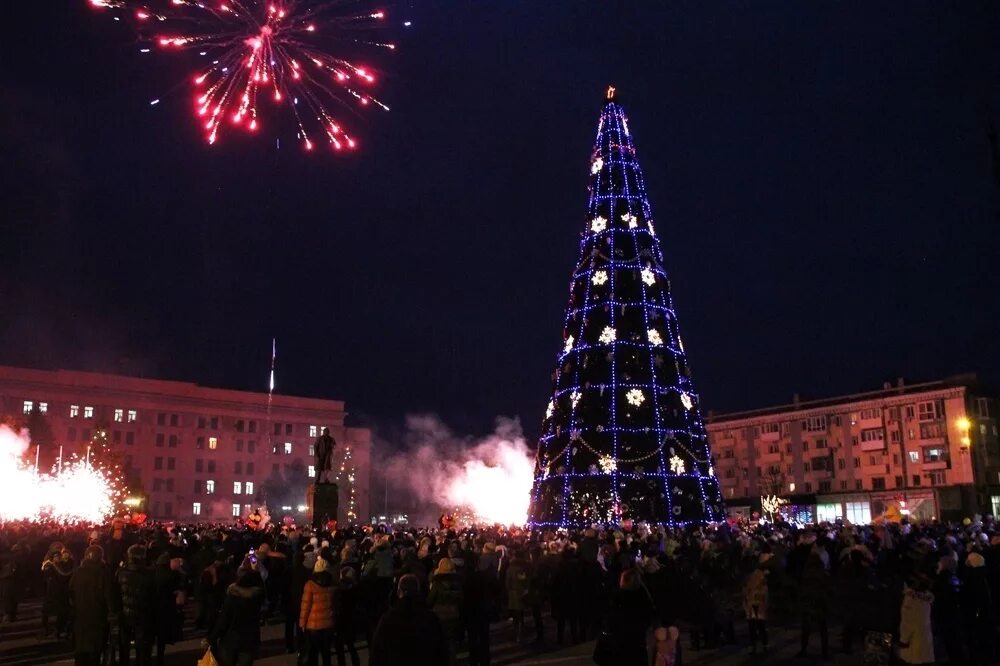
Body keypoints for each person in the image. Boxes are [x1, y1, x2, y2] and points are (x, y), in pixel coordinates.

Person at [369, 573, 450, 666]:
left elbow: (377, 653)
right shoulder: (430, 618)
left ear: (399, 591)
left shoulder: (388, 619)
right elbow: (442, 649)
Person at [209, 557, 266, 666]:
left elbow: (223, 620)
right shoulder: (256, 598)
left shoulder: (232, 597)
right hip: (249, 641)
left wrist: (212, 637)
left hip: (230, 640)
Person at [70, 545, 114, 666]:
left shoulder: (78, 572)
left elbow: (70, 592)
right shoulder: (104, 573)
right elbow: (109, 596)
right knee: (96, 650)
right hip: (98, 616)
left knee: (81, 650)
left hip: (81, 616)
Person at [116, 544, 156, 666]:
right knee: (142, 645)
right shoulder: (149, 574)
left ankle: (124, 662)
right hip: (143, 613)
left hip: (125, 612)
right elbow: (153, 595)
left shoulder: (121, 573)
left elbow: (116, 593)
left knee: (124, 644)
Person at [299, 556, 335, 666]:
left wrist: (302, 623)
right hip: (329, 623)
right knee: (326, 653)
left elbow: (306, 606)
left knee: (313, 653)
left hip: (313, 624)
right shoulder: (333, 584)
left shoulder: (310, 585)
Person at [428, 556, 464, 652]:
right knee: (451, 640)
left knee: (440, 639)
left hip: (439, 613)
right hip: (453, 612)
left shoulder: (437, 582)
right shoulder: (458, 581)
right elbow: (461, 598)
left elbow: (431, 599)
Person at [898, 578, 934, 665]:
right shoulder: (927, 600)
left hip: (912, 646)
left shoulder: (910, 601)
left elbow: (907, 622)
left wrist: (903, 640)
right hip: (925, 643)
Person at [42, 546, 74, 639]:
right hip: (51, 593)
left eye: (58, 556)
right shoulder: (49, 566)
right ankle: (47, 629)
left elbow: (65, 576)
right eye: (55, 556)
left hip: (61, 593)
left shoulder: (63, 565)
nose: (58, 558)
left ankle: (59, 630)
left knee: (62, 613)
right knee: (47, 612)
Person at [332, 566, 361, 666]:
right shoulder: (356, 590)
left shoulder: (338, 591)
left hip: (340, 622)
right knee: (351, 646)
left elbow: (334, 606)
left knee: (340, 648)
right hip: (350, 621)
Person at [743, 558, 769, 655]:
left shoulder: (755, 576)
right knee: (758, 626)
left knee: (755, 626)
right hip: (756, 603)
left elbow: (746, 591)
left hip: (755, 603)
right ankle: (762, 645)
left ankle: (758, 645)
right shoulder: (759, 575)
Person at [505, 548, 531, 643]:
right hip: (523, 592)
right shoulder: (526, 566)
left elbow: (508, 582)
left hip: (514, 593)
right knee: (521, 614)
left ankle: (517, 633)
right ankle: (520, 632)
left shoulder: (511, 569)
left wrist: (508, 590)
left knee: (516, 615)